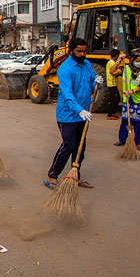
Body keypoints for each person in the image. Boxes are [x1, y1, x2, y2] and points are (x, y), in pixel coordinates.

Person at [44, 38, 103, 190]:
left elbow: (91, 84)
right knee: (68, 145)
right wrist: (79, 110)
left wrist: (97, 82)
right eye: (79, 51)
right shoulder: (65, 69)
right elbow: (68, 94)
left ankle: (74, 174)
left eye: (84, 51)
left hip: (84, 114)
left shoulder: (87, 64)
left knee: (80, 146)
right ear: (71, 51)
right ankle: (52, 174)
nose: (82, 54)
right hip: (68, 115)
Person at [111, 51, 140, 151]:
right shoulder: (125, 68)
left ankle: (138, 142)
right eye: (137, 61)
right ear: (132, 61)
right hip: (128, 100)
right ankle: (122, 139)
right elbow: (112, 72)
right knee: (125, 121)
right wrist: (118, 61)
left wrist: (133, 91)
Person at [106, 49, 124, 120]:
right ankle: (109, 115)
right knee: (113, 99)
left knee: (117, 98)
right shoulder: (111, 63)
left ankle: (113, 112)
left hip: (114, 83)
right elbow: (113, 71)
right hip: (111, 83)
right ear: (116, 55)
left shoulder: (113, 62)